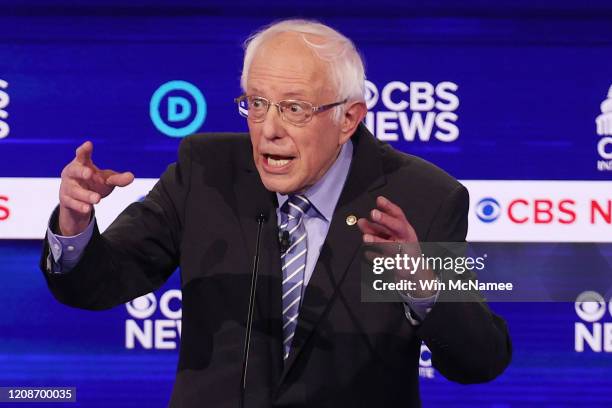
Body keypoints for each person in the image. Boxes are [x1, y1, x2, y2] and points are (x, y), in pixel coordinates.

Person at [41, 19, 511, 407]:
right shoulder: (206, 173)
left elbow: (480, 360)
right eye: (256, 104)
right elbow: (102, 281)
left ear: (348, 118)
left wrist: (424, 289)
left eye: (294, 109)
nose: (269, 130)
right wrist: (75, 227)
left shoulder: (421, 197)